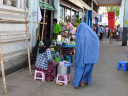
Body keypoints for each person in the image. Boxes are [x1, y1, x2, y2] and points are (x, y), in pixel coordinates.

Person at [73, 23, 100, 88]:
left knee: (80, 68)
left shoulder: (81, 35)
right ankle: (87, 81)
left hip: (83, 55)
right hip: (91, 55)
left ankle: (78, 82)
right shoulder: (93, 35)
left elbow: (80, 47)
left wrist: (76, 54)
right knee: (89, 68)